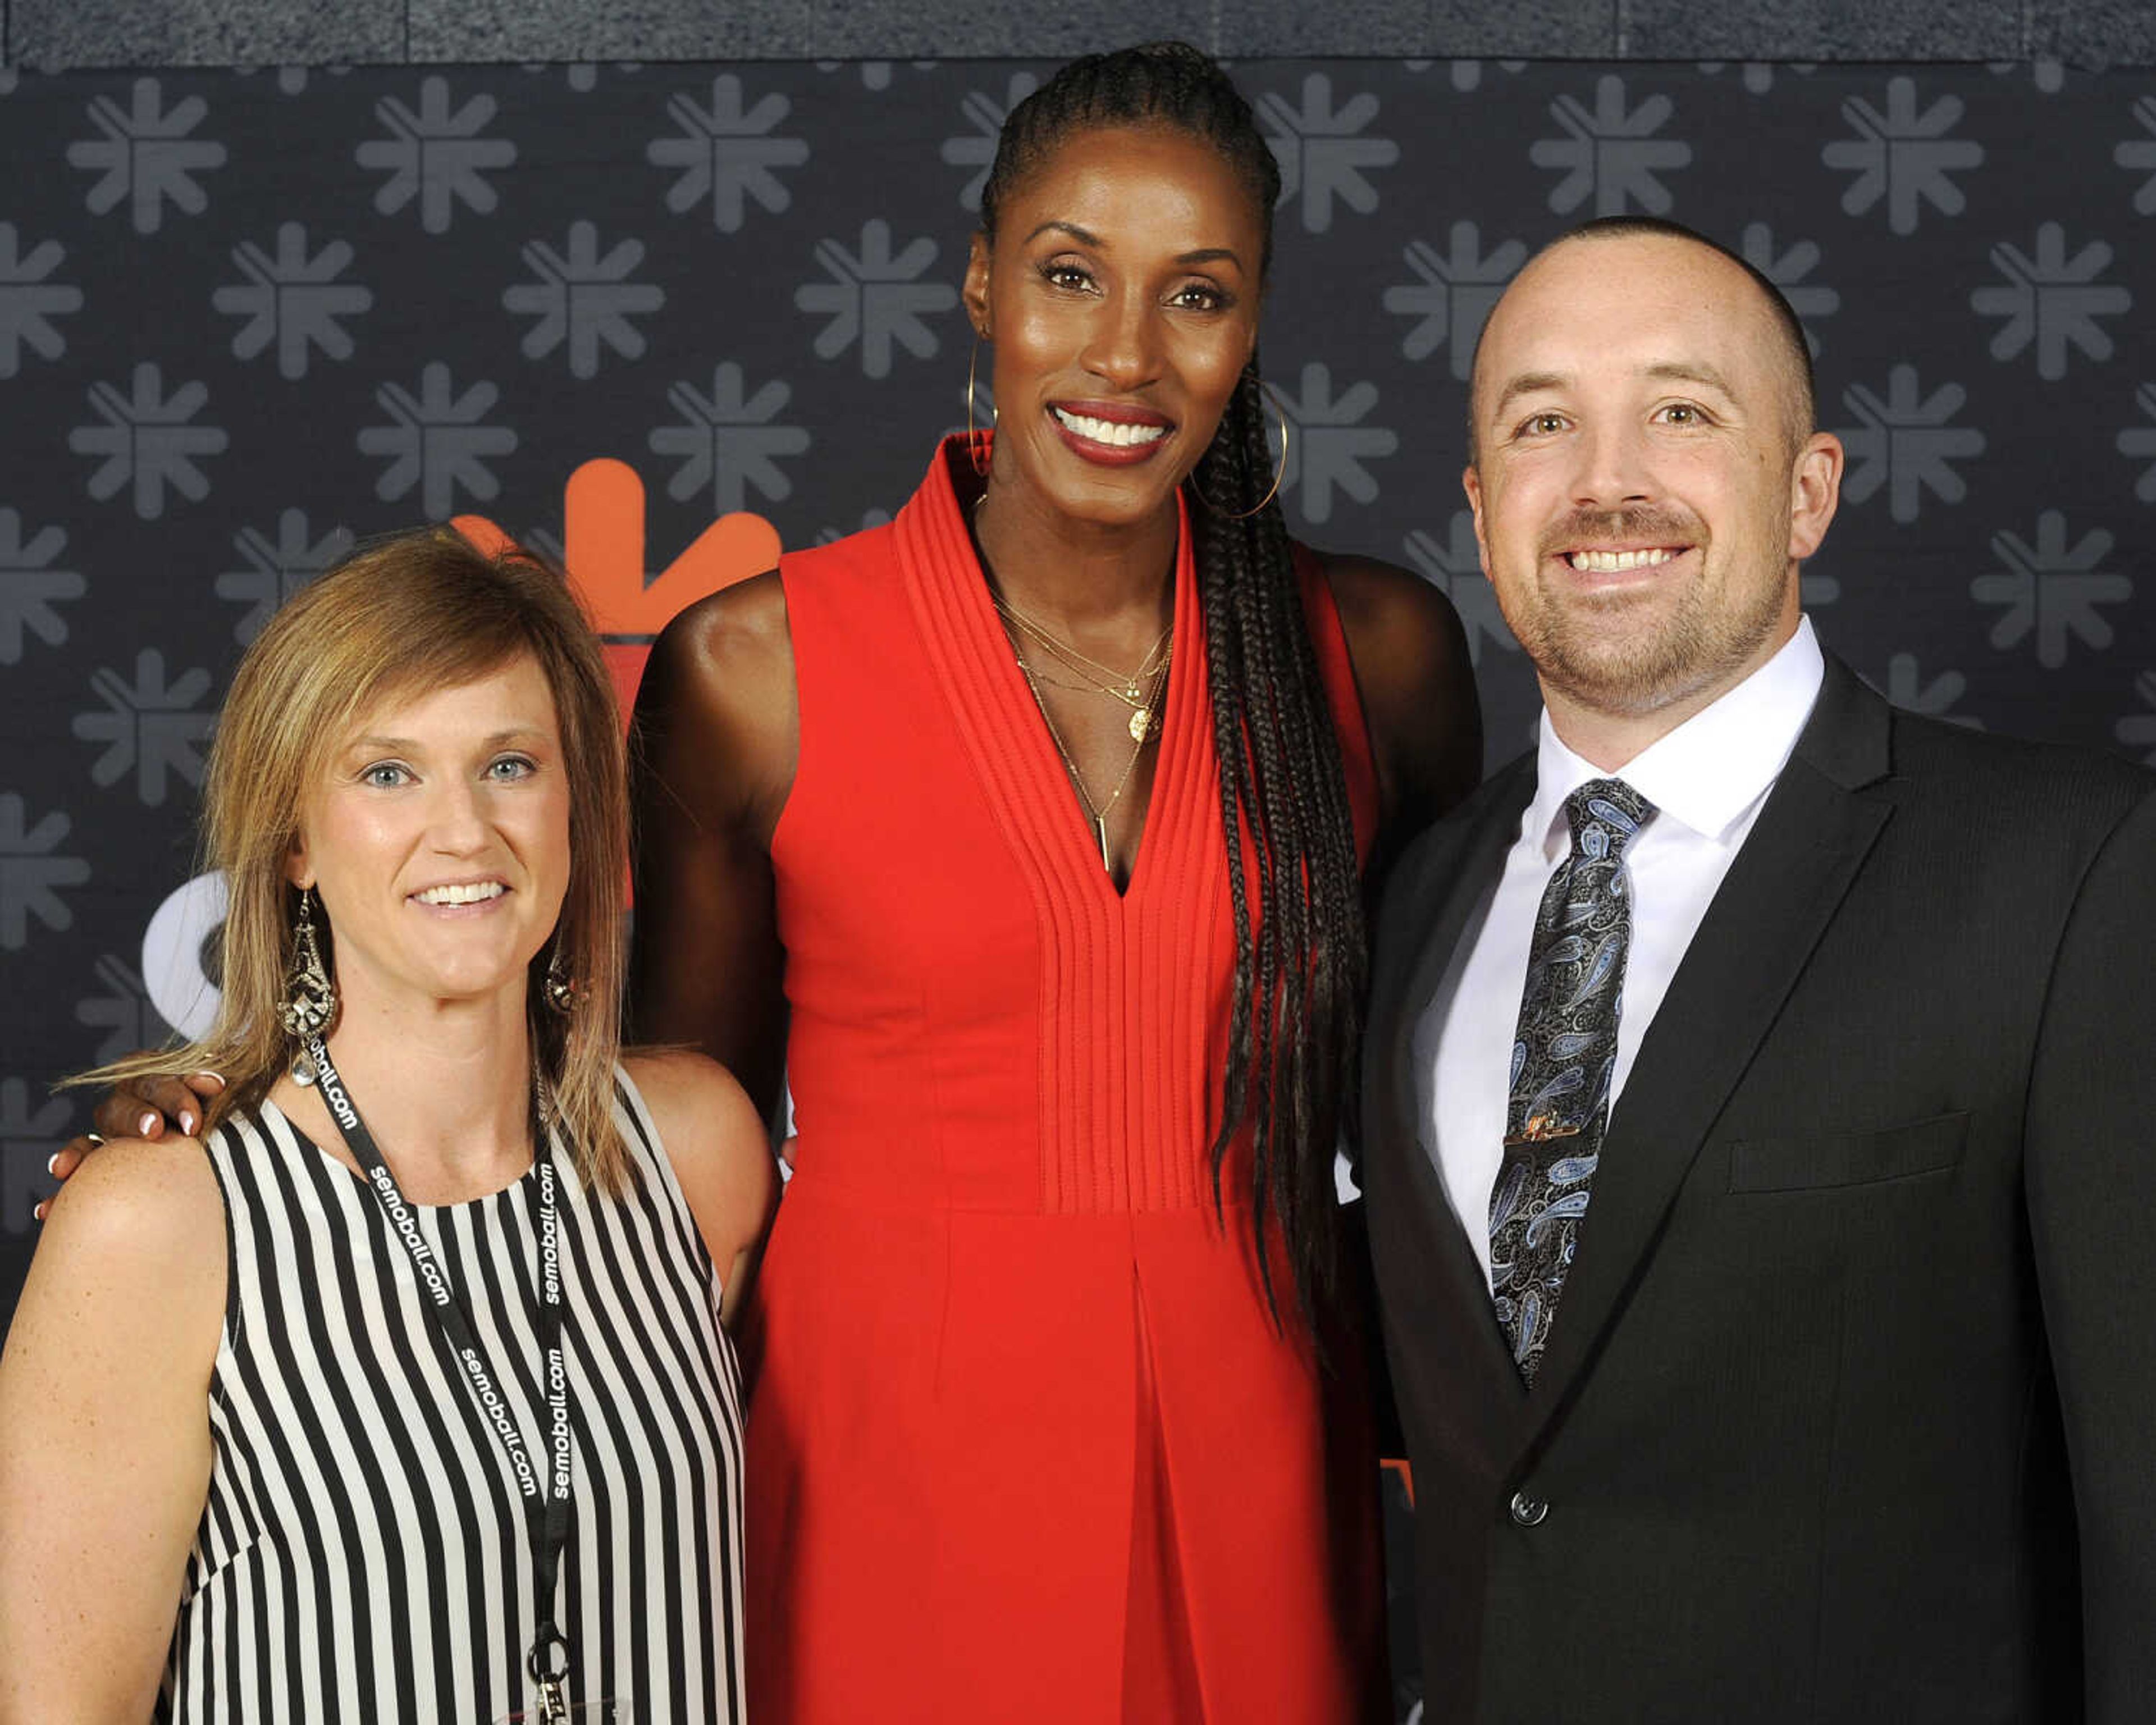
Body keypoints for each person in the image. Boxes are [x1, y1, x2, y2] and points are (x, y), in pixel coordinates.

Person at [630, 42, 1477, 1723]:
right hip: (884, 1477)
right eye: (1071, 276)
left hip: (1262, 1470)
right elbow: (670, 1143)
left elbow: (1468, 1076)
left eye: (1200, 296)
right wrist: (250, 1129)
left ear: (1253, 328)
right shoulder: (757, 669)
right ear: (978, 283)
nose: (1125, 357)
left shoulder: (1375, 654)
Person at [1359, 214, 2156, 1723]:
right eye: (1545, 424)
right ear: (1479, 510)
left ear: (1809, 492)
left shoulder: (2077, 875)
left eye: (1682, 410)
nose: (1607, 482)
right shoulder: (1418, 903)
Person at [0, 530, 775, 1723]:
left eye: (510, 765)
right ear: (297, 840)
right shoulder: (164, 1224)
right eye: (387, 774)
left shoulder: (693, 1155)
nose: (463, 830)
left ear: (577, 804)